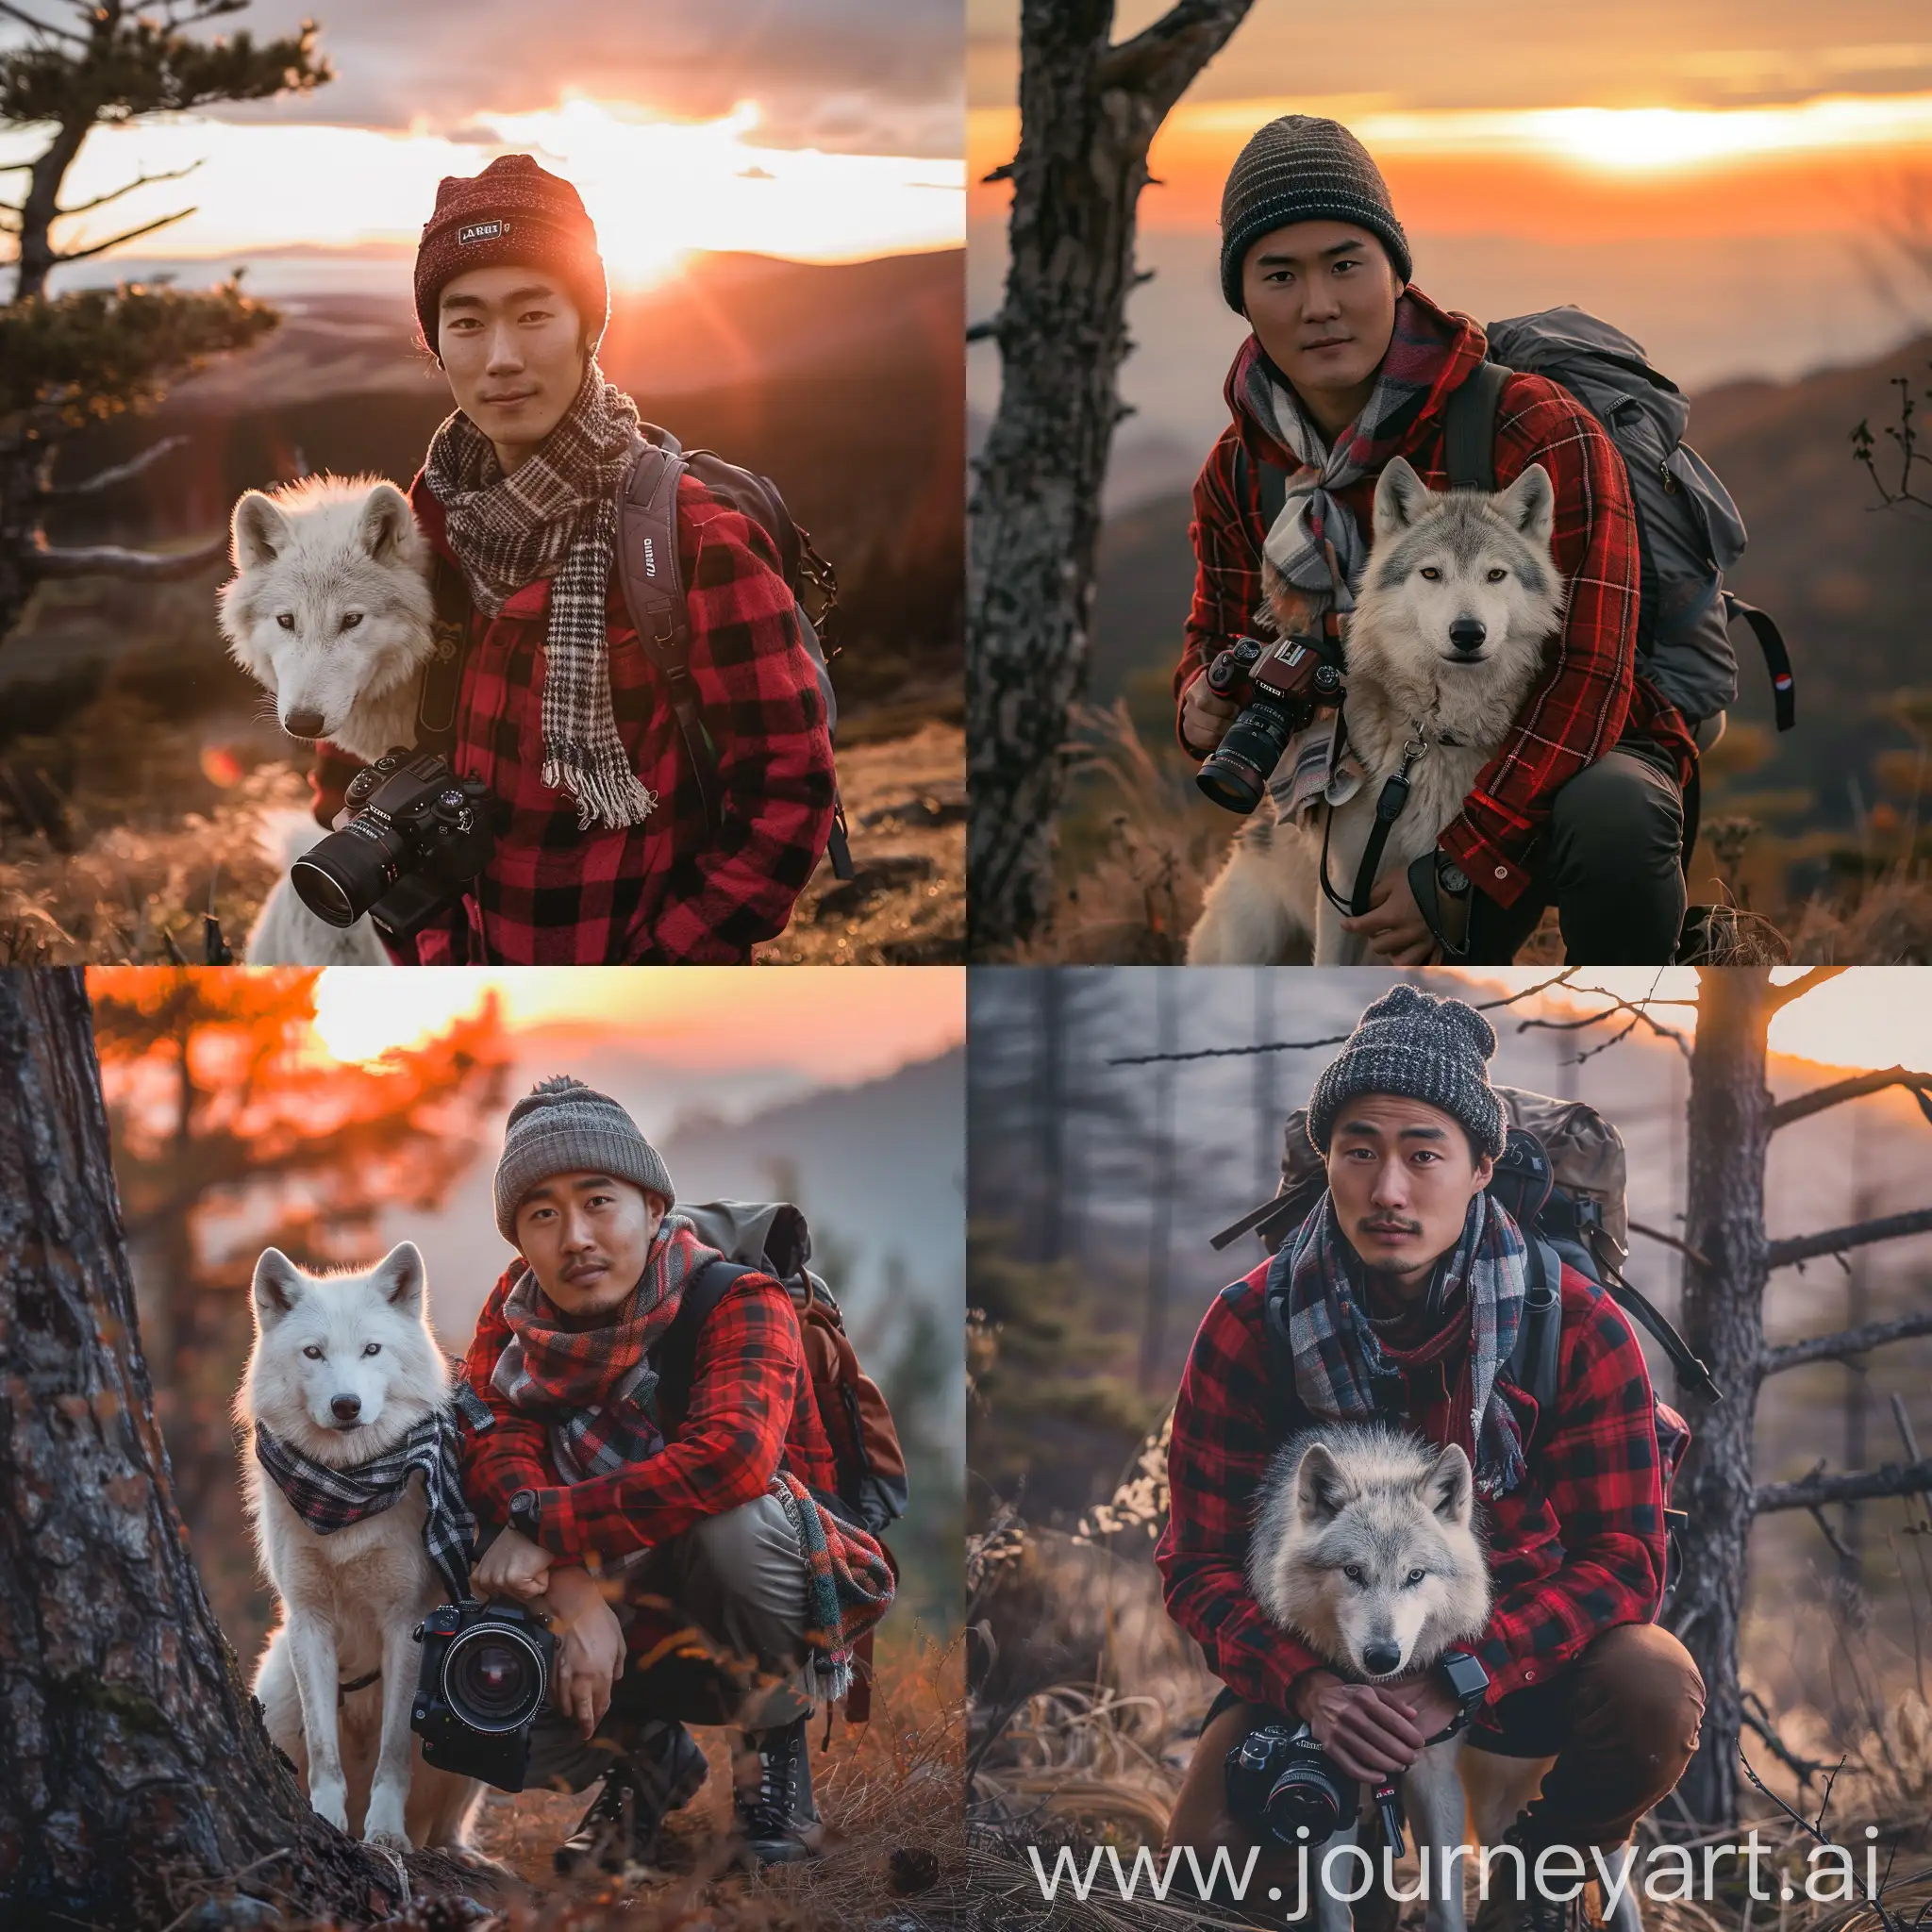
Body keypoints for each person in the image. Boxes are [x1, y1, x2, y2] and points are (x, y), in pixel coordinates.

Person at [1156, 986, 1705, 1930]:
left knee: (1653, 1688)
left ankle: (1534, 1883)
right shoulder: (1251, 1324)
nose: (1387, 1189)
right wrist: (1308, 1688)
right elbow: (1197, 1565)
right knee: (1212, 1875)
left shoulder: (1573, 1325)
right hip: (1324, 1679)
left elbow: (1624, 1562)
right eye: (1357, 1149)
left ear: (1480, 1164)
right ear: (1325, 1161)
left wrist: (1455, 1676)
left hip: (1523, 1667)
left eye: (1422, 1153)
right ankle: (1361, 1878)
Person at [1175, 115, 1696, 965]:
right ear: (1244, 297)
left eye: (1346, 264)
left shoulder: (1531, 426)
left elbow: (1594, 670)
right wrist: (1204, 696)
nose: (1319, 305)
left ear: (1394, 271)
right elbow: (1214, 637)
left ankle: (1623, 1013)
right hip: (1363, 782)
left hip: (1546, 766)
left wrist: (1461, 868)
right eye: (1279, 274)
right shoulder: (1242, 470)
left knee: (1616, 816)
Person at [313, 154, 837, 963]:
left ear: (590, 326)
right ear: (435, 342)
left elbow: (789, 789)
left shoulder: (692, 538)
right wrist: (425, 931)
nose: (501, 358)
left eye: (533, 315)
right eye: (466, 321)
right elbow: (354, 710)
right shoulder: (421, 521)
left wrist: (672, 958)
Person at [457, 1076, 894, 1873]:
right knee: (464, 1658)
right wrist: (571, 1589)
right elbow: (492, 1452)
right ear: (519, 1239)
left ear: (654, 1208)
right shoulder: (513, 1320)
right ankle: (646, 1760)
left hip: (755, 1582)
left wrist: (543, 1533)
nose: (575, 1237)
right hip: (611, 1585)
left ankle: (774, 1762)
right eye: (542, 1214)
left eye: (598, 1202)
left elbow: (729, 1462)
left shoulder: (736, 1300)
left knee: (736, 1520)